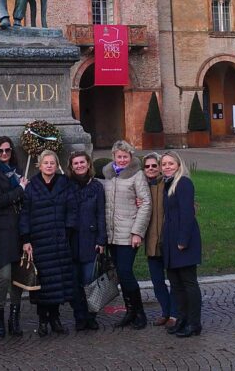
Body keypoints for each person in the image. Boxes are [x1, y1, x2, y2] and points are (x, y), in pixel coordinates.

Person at [19, 149, 78, 336]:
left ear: (57, 164)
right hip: (40, 240)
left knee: (57, 282)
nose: (49, 166)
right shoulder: (32, 186)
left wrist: (67, 231)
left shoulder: (65, 183)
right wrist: (26, 239)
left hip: (59, 240)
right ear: (39, 165)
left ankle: (55, 318)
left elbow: (72, 209)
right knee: (42, 282)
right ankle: (42, 320)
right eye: (46, 163)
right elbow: (25, 214)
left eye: (52, 163)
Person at [101, 139, 151, 329]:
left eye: (125, 157)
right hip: (112, 234)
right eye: (119, 156)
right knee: (121, 275)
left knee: (125, 272)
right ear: (113, 156)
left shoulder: (137, 175)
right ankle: (130, 311)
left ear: (130, 157)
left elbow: (145, 203)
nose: (122, 160)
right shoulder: (108, 175)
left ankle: (139, 312)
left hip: (128, 233)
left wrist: (137, 232)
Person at [0, 136, 28, 337]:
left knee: (18, 276)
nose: (4, 154)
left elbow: (25, 200)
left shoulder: (18, 171)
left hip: (18, 228)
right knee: (4, 275)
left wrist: (24, 190)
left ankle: (14, 318)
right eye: (0, 151)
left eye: (7, 150)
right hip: (2, 230)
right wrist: (20, 190)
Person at [159, 151, 203, 338]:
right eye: (164, 164)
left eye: (171, 163)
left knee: (188, 283)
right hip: (170, 241)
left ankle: (194, 323)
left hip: (183, 241)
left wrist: (183, 240)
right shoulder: (167, 184)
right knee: (176, 284)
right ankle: (182, 319)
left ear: (178, 165)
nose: (167, 167)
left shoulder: (183, 183)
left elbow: (187, 213)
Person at [68, 150, 106, 331]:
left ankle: (91, 316)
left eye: (82, 162)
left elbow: (101, 214)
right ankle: (79, 316)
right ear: (71, 166)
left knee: (90, 281)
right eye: (75, 163)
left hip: (90, 240)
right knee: (75, 283)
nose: (79, 166)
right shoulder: (67, 186)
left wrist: (101, 239)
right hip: (71, 241)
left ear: (88, 164)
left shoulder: (97, 186)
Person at [141, 152, 178, 327]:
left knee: (175, 280)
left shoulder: (170, 183)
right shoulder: (141, 186)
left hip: (169, 240)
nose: (151, 169)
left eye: (154, 165)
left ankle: (175, 313)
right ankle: (165, 311)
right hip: (151, 241)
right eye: (147, 166)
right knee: (157, 281)